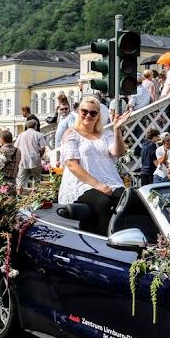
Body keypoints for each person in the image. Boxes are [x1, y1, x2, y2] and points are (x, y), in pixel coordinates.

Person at [58, 95, 128, 234]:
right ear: (79, 113)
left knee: (127, 199)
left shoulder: (105, 134)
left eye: (93, 113)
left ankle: (123, 238)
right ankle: (102, 242)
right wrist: (98, 185)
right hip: (82, 183)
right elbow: (72, 164)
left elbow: (117, 152)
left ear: (98, 116)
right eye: (85, 111)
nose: (88, 115)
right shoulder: (71, 134)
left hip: (108, 181)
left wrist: (117, 130)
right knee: (103, 204)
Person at [16, 119, 47, 190]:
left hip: (22, 160)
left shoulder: (21, 135)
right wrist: (40, 156)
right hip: (35, 159)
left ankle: (19, 196)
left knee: (20, 181)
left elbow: (16, 147)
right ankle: (35, 196)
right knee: (37, 180)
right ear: (35, 126)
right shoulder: (38, 135)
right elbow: (42, 148)